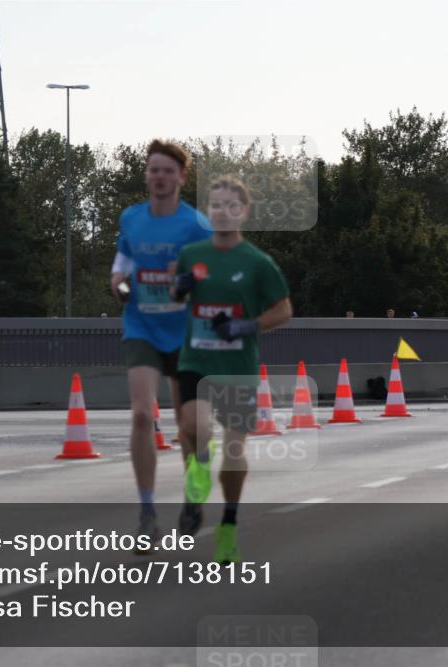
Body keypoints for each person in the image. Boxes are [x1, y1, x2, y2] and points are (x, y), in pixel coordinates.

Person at [170, 175, 292, 564]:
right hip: (196, 360)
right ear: (209, 211)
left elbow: (284, 310)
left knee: (235, 452)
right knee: (193, 426)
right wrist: (179, 288)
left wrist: (247, 325)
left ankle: (227, 526)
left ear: (244, 211)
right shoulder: (192, 253)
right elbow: (174, 289)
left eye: (231, 206)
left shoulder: (258, 262)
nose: (223, 212)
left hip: (237, 366)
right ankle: (197, 477)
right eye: (216, 206)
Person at [110, 140, 212, 550]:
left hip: (188, 333)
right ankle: (148, 513)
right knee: (140, 415)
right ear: (147, 175)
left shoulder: (196, 225)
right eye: (153, 169)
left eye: (168, 170)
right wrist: (119, 286)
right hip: (142, 327)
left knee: (192, 428)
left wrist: (190, 276)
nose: (159, 176)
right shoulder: (132, 219)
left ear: (181, 178)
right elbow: (120, 269)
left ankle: (193, 494)